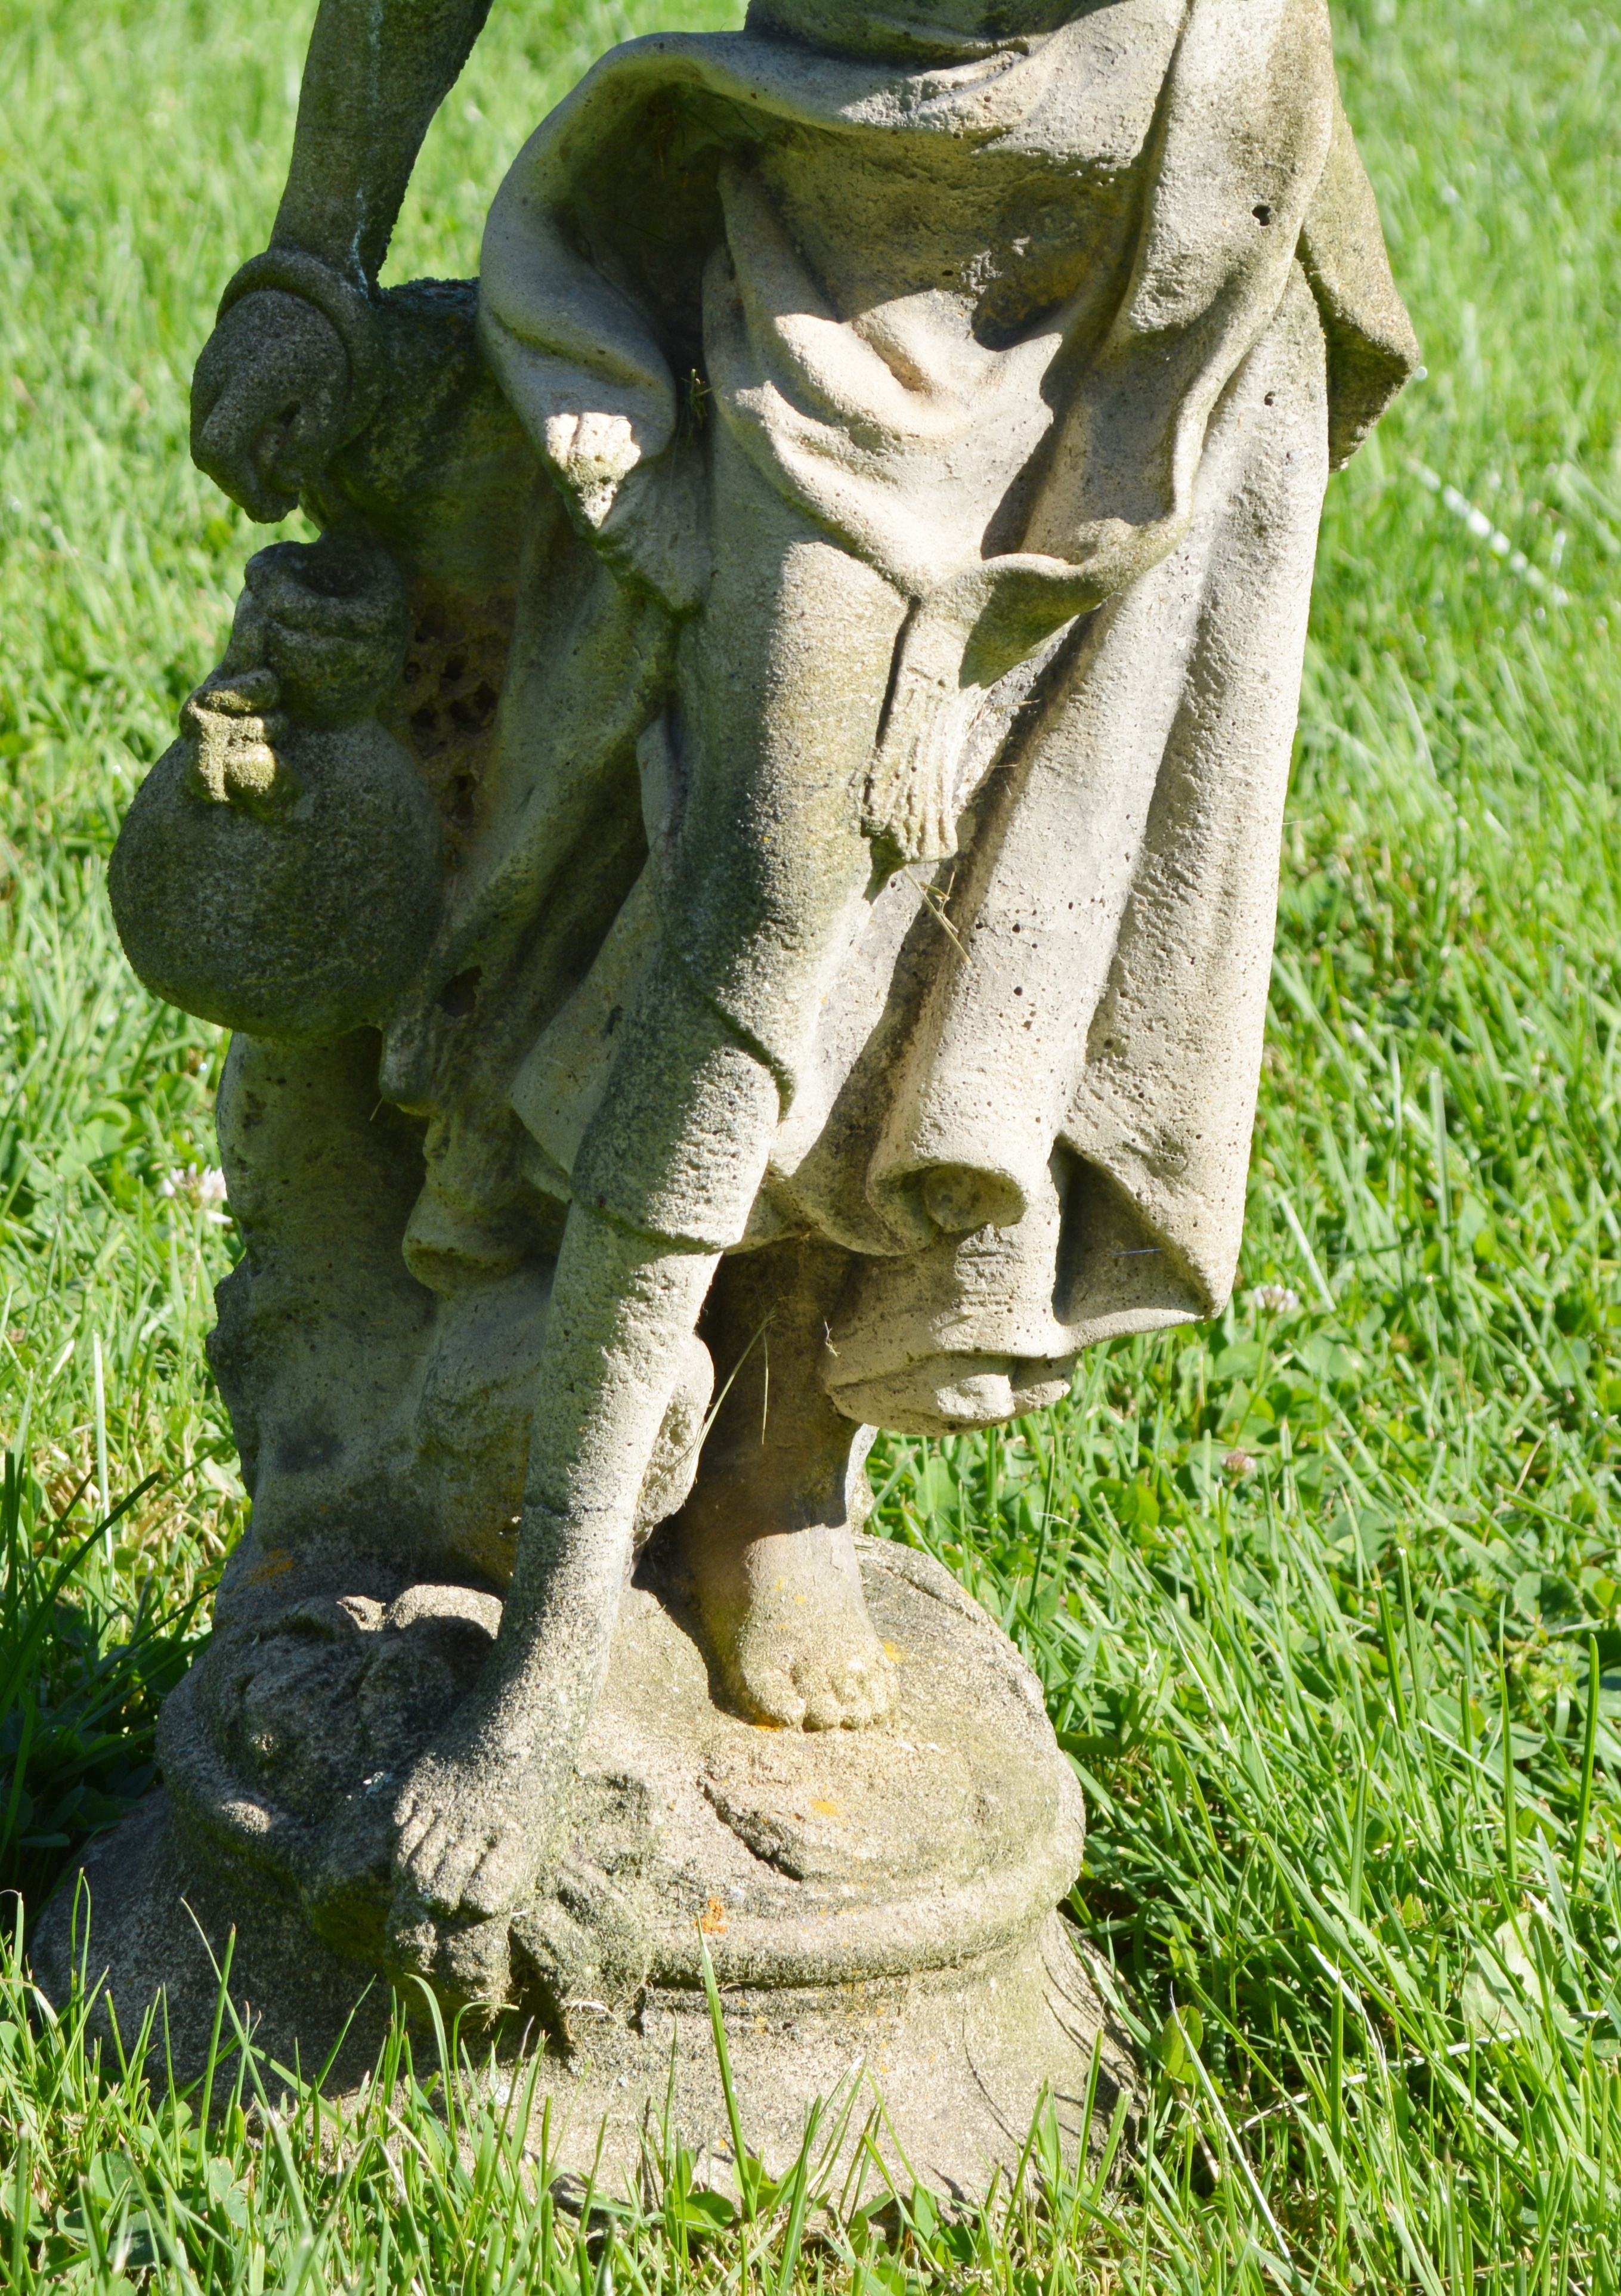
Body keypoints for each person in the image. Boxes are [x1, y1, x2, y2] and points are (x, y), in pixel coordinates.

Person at [191, 0, 1416, 1952]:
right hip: (858, 235)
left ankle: (778, 1452)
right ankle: (548, 1638)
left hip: (1171, 188)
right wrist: (313, 257)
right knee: (762, 897)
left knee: (1003, 895)